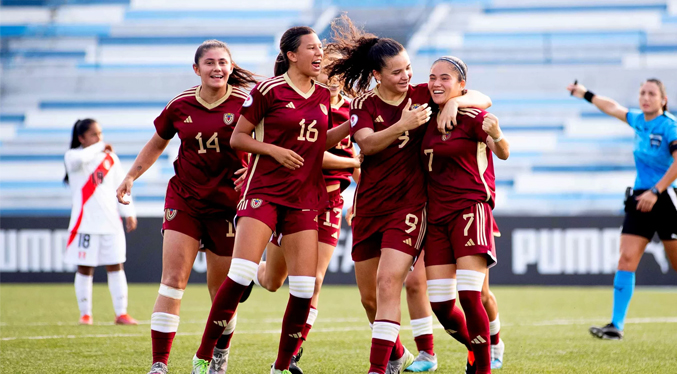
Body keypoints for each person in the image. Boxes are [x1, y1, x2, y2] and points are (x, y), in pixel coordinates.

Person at [328, 17, 492, 374]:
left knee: (390, 283)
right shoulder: (362, 106)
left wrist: (453, 103)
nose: (406, 77)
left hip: (410, 208)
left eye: (409, 69)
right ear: (377, 75)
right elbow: (367, 144)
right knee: (370, 297)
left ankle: (379, 368)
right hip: (370, 206)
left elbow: (482, 97)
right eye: (397, 72)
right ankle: (403, 354)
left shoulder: (423, 95)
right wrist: (403, 125)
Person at [190, 26, 350, 374]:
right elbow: (238, 138)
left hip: (305, 197)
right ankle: (203, 357)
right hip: (263, 191)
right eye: (312, 48)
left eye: (320, 47)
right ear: (292, 55)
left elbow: (318, 143)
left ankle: (280, 367)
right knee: (241, 271)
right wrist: (275, 151)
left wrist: (353, 124)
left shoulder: (323, 96)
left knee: (305, 288)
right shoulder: (268, 90)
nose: (319, 53)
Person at [115, 40, 256, 374]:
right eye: (210, 62)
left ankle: (219, 354)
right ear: (197, 69)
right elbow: (157, 144)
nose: (217, 68)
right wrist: (130, 177)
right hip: (185, 200)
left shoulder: (246, 104)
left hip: (228, 207)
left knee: (221, 293)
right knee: (172, 280)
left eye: (223, 62)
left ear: (231, 67)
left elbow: (269, 144)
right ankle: (159, 364)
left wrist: (253, 170)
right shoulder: (179, 105)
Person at [253, 43, 361, 374]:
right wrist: (355, 160)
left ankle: (291, 354)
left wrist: (357, 196)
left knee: (313, 280)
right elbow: (313, 153)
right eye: (323, 68)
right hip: (291, 197)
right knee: (273, 281)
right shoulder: (304, 104)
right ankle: (248, 272)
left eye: (333, 70)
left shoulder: (353, 109)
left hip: (329, 199)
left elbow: (363, 157)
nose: (328, 76)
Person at [568, 79, 677, 340]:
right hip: (641, 198)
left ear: (663, 100)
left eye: (652, 93)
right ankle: (616, 326)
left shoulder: (669, 127)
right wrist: (585, 93)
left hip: (665, 198)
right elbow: (612, 107)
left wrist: (656, 192)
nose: (646, 97)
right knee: (626, 259)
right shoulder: (638, 120)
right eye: (642, 92)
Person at [422, 56, 510, 374]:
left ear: (461, 85)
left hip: (470, 210)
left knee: (473, 294)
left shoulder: (474, 116)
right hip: (435, 218)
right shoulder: (422, 114)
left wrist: (497, 133)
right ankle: (482, 346)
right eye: (431, 77)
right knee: (442, 306)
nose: (436, 83)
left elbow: (503, 151)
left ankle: (484, 361)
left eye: (445, 78)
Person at [64, 118, 138, 327]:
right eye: (94, 134)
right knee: (85, 268)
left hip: (110, 223)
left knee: (116, 266)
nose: (99, 138)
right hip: (84, 223)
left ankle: (121, 313)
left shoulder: (110, 158)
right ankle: (85, 314)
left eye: (101, 134)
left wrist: (129, 212)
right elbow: (81, 159)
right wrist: (99, 147)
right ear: (81, 138)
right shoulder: (73, 156)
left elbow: (121, 186)